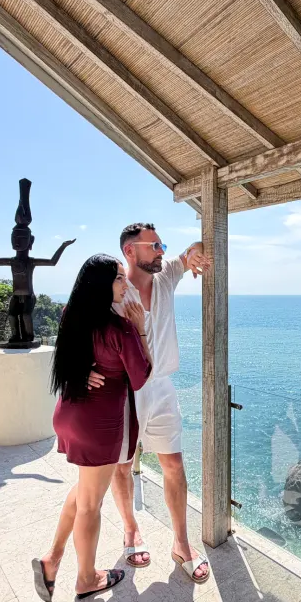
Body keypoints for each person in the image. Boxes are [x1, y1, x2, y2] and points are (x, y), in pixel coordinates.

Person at [89, 223, 212, 583]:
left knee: (173, 464)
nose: (161, 250)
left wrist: (198, 252)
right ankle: (130, 530)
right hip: (122, 389)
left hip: (161, 388)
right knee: (123, 466)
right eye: (154, 245)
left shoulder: (166, 277)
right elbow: (76, 330)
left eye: (162, 244)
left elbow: (195, 247)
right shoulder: (111, 291)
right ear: (131, 251)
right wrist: (81, 370)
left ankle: (181, 542)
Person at [32, 254, 152, 602]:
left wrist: (82, 371)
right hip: (98, 425)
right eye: (118, 278)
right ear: (100, 285)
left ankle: (52, 560)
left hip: (70, 414)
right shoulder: (121, 328)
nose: (125, 283)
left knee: (84, 491)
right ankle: (87, 577)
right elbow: (142, 375)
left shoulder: (73, 313)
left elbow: (67, 357)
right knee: (90, 506)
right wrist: (141, 326)